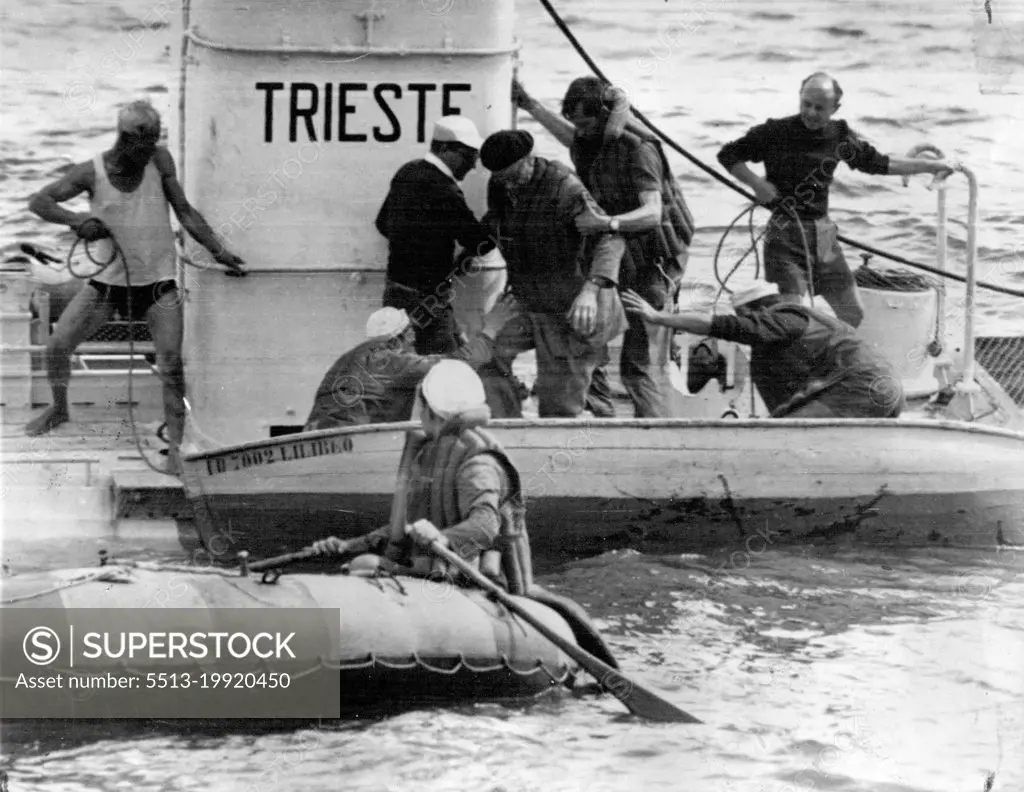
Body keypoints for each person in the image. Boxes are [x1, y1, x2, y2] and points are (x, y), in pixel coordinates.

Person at [24, 99, 246, 474]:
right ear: (126, 138)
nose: (152, 150)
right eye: (146, 144)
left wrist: (217, 250)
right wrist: (76, 220)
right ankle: (59, 408)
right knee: (58, 346)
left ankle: (177, 446)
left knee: (171, 363)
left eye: (156, 140)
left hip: (158, 284)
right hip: (108, 284)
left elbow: (185, 211)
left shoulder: (160, 161)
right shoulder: (90, 172)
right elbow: (39, 201)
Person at [717, 72, 953, 328]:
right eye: (806, 104)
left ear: (834, 108)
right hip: (784, 233)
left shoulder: (839, 136)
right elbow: (728, 154)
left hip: (823, 233)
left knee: (853, 314)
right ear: (799, 98)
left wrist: (930, 166)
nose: (810, 112)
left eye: (819, 108)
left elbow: (880, 163)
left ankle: (829, 359)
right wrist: (757, 184)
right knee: (792, 318)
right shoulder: (775, 131)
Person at [514, 76, 689, 419]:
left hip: (653, 262)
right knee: (590, 346)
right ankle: (604, 423)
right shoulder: (588, 138)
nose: (580, 131)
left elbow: (653, 212)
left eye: (586, 123)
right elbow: (570, 138)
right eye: (575, 123)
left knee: (637, 364)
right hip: (619, 255)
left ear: (605, 115)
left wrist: (606, 224)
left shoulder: (639, 149)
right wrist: (529, 104)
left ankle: (651, 439)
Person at [311, 359, 533, 594]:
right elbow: (405, 528)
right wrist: (347, 545)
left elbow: (486, 525)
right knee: (362, 563)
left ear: (431, 409)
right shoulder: (434, 451)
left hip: (472, 583)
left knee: (365, 566)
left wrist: (442, 537)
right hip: (434, 573)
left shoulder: (477, 464)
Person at [477, 129, 628, 417]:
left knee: (558, 407)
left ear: (529, 160)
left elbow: (610, 238)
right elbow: (496, 223)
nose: (508, 185)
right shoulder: (500, 184)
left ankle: (580, 433)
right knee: (486, 353)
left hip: (572, 308)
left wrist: (590, 291)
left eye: (512, 175)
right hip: (527, 301)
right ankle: (509, 427)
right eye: (501, 179)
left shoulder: (564, 188)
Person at [620, 281, 904, 418]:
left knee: (787, 437)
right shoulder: (812, 322)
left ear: (753, 310)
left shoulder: (782, 319)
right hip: (887, 388)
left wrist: (659, 318)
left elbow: (723, 326)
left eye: (745, 315)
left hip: (859, 388)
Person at [375, 115, 498, 355]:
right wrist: (498, 217)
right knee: (445, 364)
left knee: (404, 360)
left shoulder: (407, 172)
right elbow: (481, 243)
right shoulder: (444, 189)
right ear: (444, 149)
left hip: (396, 290)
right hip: (428, 298)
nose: (473, 166)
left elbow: (382, 223)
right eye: (469, 156)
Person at [303, 303, 522, 431]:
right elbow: (456, 365)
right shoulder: (392, 362)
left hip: (317, 431)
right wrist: (490, 330)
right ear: (406, 334)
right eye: (410, 331)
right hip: (352, 434)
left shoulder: (351, 357)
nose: (414, 336)